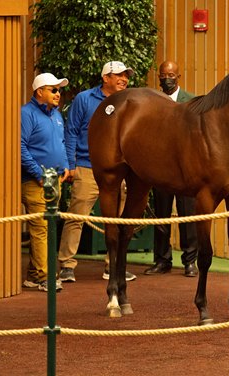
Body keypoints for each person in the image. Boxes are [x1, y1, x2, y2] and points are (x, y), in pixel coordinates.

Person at [57, 61, 137, 283]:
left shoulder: (127, 100)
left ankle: (113, 266)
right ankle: (67, 264)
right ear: (105, 77)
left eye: (126, 76)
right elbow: (71, 131)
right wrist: (70, 164)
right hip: (86, 166)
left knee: (119, 220)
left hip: (117, 171)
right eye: (119, 75)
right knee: (76, 216)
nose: (124, 79)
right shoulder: (84, 99)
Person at [144, 60, 199, 277]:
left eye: (171, 75)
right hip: (161, 167)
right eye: (163, 75)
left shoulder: (192, 101)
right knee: (161, 216)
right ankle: (162, 259)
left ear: (179, 76)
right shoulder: (151, 101)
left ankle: (190, 261)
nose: (167, 79)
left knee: (188, 215)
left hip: (186, 168)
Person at [21, 73, 70, 292]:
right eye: (53, 89)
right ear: (39, 91)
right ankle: (45, 277)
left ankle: (34, 274)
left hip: (55, 178)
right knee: (42, 228)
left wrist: (66, 164)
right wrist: (38, 174)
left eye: (59, 90)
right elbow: (20, 147)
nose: (58, 94)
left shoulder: (57, 115)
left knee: (49, 226)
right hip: (36, 181)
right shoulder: (26, 113)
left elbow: (61, 142)